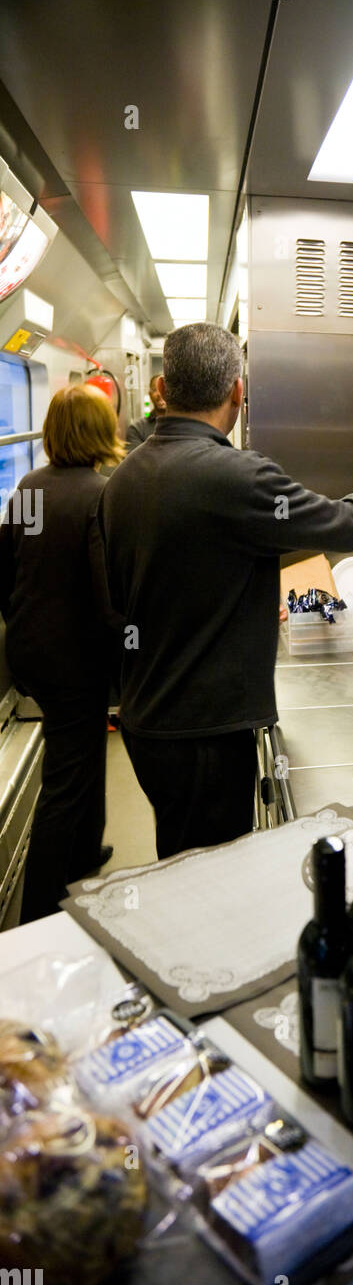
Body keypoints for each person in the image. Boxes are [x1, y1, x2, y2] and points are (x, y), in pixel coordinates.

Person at [99, 322, 353, 860]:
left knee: (180, 862)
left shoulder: (125, 476)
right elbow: (349, 523)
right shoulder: (234, 475)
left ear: (164, 389)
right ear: (237, 391)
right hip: (206, 733)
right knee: (214, 876)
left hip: (148, 720)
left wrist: (243, 602)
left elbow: (141, 590)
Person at [0, 385, 124, 922]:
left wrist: (23, 622)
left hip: (31, 648)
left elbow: (5, 569)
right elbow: (105, 589)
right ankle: (39, 912)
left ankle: (84, 849)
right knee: (64, 778)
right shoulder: (102, 494)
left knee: (80, 746)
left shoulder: (28, 488)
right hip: (77, 656)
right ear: (100, 433)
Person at [125, 375, 166, 451]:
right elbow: (136, 461)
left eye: (163, 388)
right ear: (150, 395)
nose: (159, 394)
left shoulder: (184, 425)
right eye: (154, 390)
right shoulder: (137, 429)